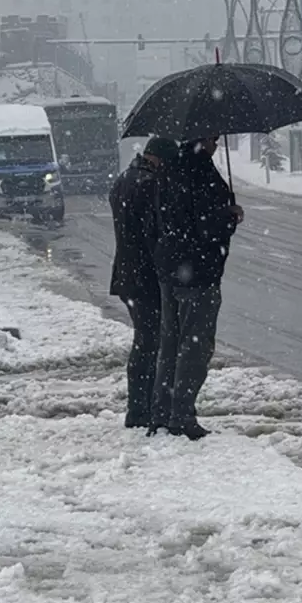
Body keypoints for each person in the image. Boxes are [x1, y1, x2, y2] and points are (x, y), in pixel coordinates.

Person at [150, 137, 244, 440]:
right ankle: (181, 416)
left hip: (171, 268)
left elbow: (170, 218)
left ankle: (161, 412)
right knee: (195, 345)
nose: (217, 142)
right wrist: (229, 217)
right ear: (200, 137)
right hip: (198, 271)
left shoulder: (171, 168)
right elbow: (204, 225)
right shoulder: (199, 171)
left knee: (172, 342)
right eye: (213, 137)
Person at [109, 136, 179, 429]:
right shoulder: (150, 185)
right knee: (150, 343)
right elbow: (156, 234)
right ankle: (142, 409)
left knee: (145, 340)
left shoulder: (124, 179)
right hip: (146, 277)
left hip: (128, 274)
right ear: (158, 159)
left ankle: (141, 406)